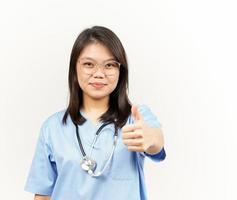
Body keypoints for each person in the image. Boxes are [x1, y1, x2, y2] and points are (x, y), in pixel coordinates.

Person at [24, 26, 166, 200]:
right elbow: (42, 195)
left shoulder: (135, 118)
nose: (99, 73)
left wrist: (151, 138)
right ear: (74, 69)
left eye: (109, 65)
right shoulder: (52, 127)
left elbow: (156, 142)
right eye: (89, 64)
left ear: (120, 71)